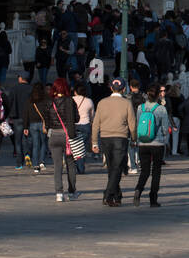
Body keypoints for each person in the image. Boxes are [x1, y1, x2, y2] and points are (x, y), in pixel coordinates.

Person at [90, 78, 136, 206]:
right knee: (116, 168)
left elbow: (95, 124)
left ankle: (117, 195)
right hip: (120, 137)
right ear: (124, 89)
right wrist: (134, 139)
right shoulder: (126, 103)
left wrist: (94, 142)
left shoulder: (102, 102)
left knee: (112, 168)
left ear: (111, 88)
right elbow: (132, 123)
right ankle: (108, 194)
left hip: (105, 137)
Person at [44, 78, 81, 202]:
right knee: (70, 164)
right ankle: (72, 191)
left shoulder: (50, 102)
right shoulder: (69, 101)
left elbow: (47, 120)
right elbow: (76, 118)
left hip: (54, 135)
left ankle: (59, 193)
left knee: (57, 165)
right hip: (67, 136)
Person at [133, 86, 170, 206]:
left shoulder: (140, 107)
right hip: (157, 143)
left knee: (144, 170)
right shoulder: (161, 109)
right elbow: (165, 127)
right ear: (158, 95)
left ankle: (138, 189)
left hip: (143, 143)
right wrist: (164, 138)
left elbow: (138, 123)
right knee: (156, 171)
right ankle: (153, 198)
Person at [22, 82, 50, 172]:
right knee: (43, 143)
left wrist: (25, 127)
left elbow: (25, 114)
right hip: (43, 124)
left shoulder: (30, 100)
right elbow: (48, 113)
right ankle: (41, 161)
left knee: (35, 144)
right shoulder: (45, 99)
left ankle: (35, 165)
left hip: (32, 124)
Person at [72, 83, 94, 175]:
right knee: (83, 147)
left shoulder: (71, 99)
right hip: (85, 124)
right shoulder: (89, 101)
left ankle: (77, 166)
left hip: (74, 124)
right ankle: (81, 167)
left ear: (75, 91)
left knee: (74, 147)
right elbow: (92, 115)